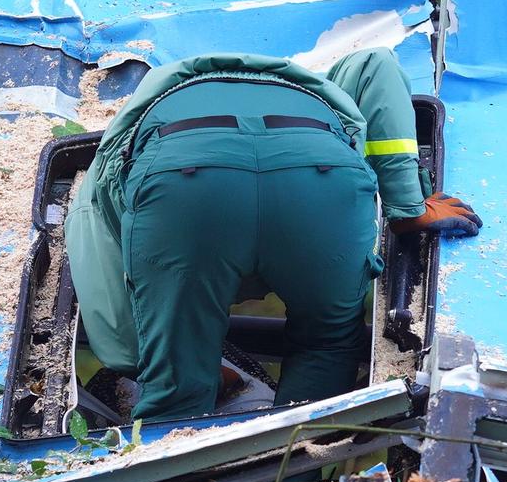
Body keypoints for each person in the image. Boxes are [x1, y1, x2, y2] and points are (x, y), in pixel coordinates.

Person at [65, 48, 482, 421]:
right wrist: (406, 205)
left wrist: (143, 356)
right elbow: (380, 66)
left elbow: (97, 251)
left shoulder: (125, 134)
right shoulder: (324, 87)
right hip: (321, 174)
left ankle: (176, 479)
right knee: (327, 345)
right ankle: (301, 465)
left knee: (176, 381)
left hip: (183, 182)